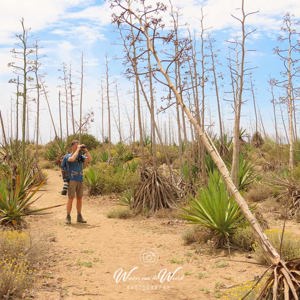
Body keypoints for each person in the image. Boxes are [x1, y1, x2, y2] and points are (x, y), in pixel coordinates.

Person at [62, 139, 91, 224]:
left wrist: (86, 150)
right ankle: (68, 216)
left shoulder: (80, 156)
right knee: (71, 198)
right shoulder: (67, 156)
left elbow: (89, 159)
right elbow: (71, 159)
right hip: (72, 180)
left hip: (80, 179)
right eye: (76, 145)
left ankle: (79, 216)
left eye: (78, 145)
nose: (77, 146)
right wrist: (78, 150)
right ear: (72, 146)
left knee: (79, 198)